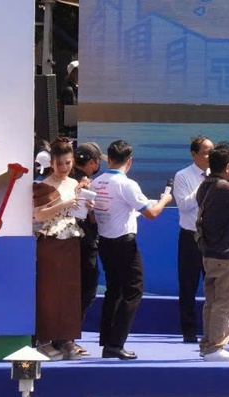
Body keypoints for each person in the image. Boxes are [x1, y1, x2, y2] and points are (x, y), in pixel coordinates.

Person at [91, 139, 171, 360]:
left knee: (113, 290)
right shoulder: (127, 184)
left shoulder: (96, 182)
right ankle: (116, 343)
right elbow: (152, 213)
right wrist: (164, 199)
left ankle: (107, 340)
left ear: (109, 158)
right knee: (133, 291)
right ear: (130, 161)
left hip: (105, 241)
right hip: (123, 243)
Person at [31, 139, 84, 360]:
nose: (64, 168)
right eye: (60, 163)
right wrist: (65, 202)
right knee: (49, 292)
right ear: (52, 162)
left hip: (71, 240)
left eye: (68, 163)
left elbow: (77, 211)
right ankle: (44, 340)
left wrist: (84, 204)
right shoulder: (43, 185)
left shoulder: (75, 183)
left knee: (70, 291)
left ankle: (66, 338)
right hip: (50, 242)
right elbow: (39, 215)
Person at [195, 148, 229, 362]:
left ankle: (207, 344)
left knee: (212, 300)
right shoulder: (226, 188)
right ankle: (216, 346)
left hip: (210, 253)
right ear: (227, 167)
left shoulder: (204, 186)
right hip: (228, 254)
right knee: (226, 302)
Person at [172, 136, 214, 345]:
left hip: (212, 237)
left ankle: (213, 330)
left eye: (212, 151)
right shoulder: (183, 176)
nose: (210, 155)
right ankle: (188, 331)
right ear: (194, 154)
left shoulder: (219, 175)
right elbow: (184, 206)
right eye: (205, 152)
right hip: (190, 236)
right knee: (188, 286)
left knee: (214, 286)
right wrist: (205, 184)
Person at [73, 141, 103, 340]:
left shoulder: (71, 180)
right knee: (86, 290)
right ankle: (68, 336)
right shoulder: (82, 184)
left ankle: (67, 337)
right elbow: (82, 215)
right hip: (81, 243)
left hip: (70, 244)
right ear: (93, 162)